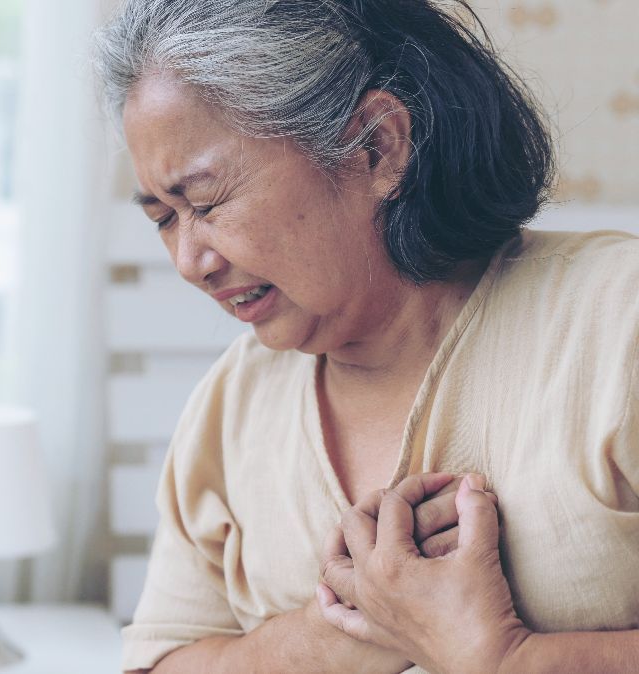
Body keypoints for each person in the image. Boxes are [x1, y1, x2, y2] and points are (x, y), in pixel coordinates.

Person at [91, 1, 639, 672]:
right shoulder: (233, 402)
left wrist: (506, 659)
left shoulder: (618, 322)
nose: (189, 261)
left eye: (205, 203)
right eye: (164, 218)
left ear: (377, 146)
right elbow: (160, 660)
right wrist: (353, 620)